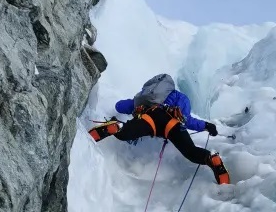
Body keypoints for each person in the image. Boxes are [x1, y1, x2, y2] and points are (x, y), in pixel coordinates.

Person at [89, 73, 230, 185]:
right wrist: (206, 126)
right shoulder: (181, 98)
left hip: (151, 117)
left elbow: (120, 106)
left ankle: (118, 127)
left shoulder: (150, 98)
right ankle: (211, 158)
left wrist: (128, 106)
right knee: (191, 152)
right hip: (171, 124)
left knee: (125, 133)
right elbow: (187, 121)